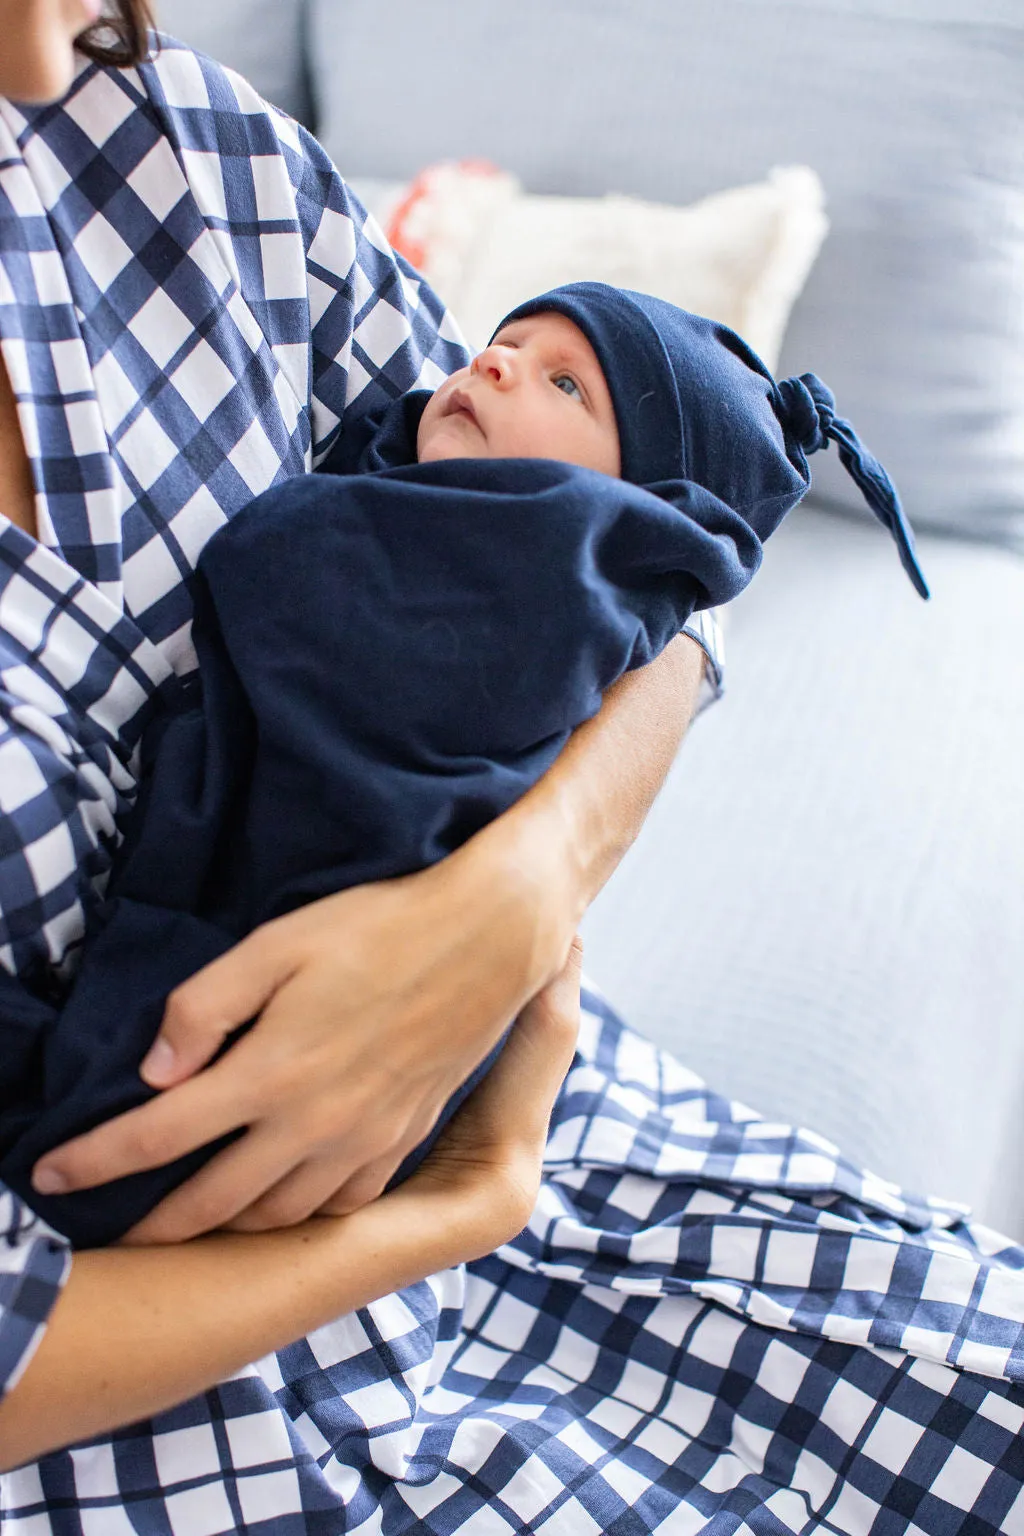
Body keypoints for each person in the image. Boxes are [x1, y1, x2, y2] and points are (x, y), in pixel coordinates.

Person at [2, 9, 1024, 1532]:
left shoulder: (179, 153)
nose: (42, 58)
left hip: (556, 1110)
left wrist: (514, 900)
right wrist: (448, 1213)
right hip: (172, 1404)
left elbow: (658, 588)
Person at [3, 285, 926, 1248]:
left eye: (565, 382)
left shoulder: (553, 560)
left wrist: (532, 880)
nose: (493, 363)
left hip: (362, 968)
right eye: (504, 342)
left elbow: (285, 565)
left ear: (646, 510)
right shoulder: (469, 479)